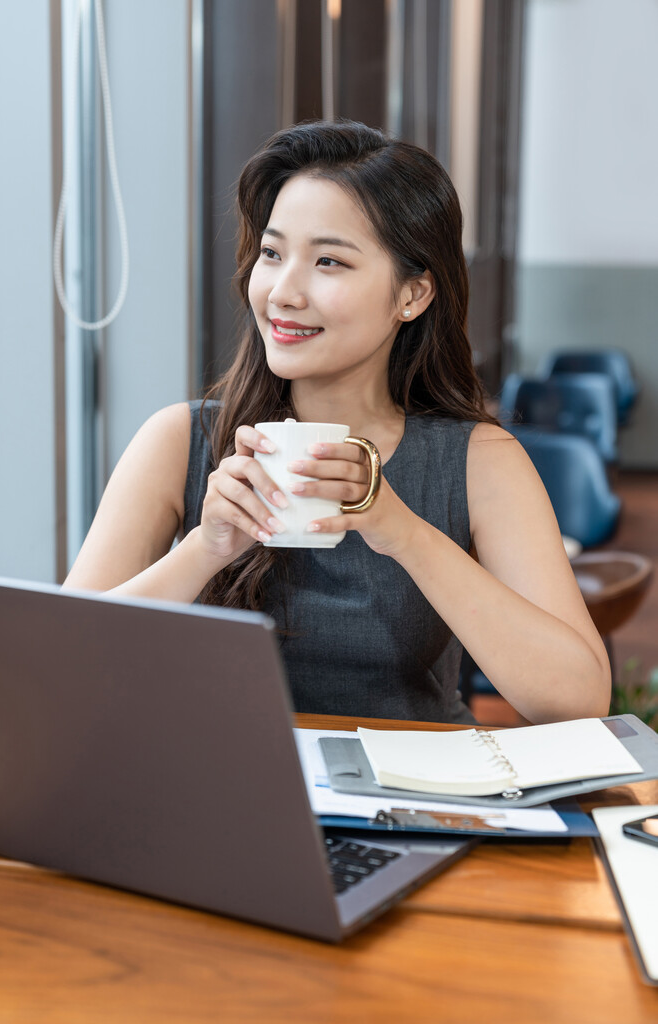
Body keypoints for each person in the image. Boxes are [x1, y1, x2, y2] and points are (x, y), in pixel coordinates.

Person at [64, 119, 610, 725]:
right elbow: (58, 664)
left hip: (412, 805)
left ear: (413, 295)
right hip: (217, 795)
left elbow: (578, 700)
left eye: (328, 261)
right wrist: (206, 548)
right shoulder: (179, 442)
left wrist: (401, 530)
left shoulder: (479, 458)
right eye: (272, 254)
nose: (282, 292)